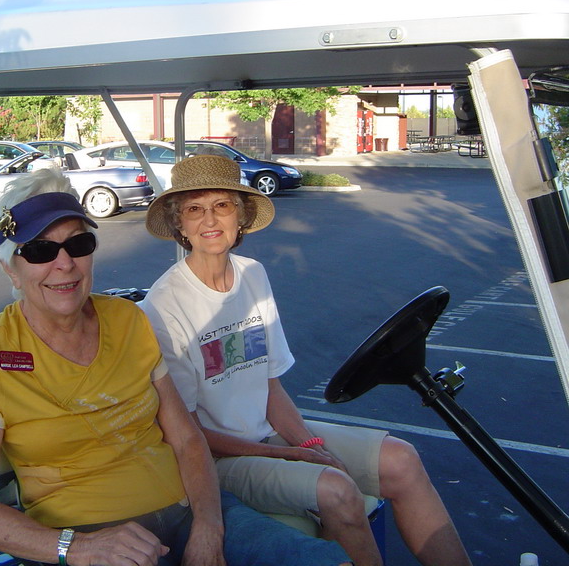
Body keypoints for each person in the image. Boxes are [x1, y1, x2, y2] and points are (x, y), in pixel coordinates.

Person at [0, 168, 351, 566]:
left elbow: (188, 439)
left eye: (79, 244)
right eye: (39, 251)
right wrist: (81, 549)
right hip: (90, 536)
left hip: (188, 507)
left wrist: (209, 525)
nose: (65, 263)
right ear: (10, 269)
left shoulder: (128, 320)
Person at [140, 155, 473, 566]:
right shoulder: (165, 305)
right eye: (194, 209)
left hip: (269, 436)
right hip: (217, 461)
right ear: (181, 225)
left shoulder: (253, 274)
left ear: (240, 216)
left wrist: (308, 444)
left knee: (401, 459)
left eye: (222, 205)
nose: (209, 219)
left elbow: (269, 385)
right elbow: (188, 434)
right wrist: (289, 455)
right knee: (337, 490)